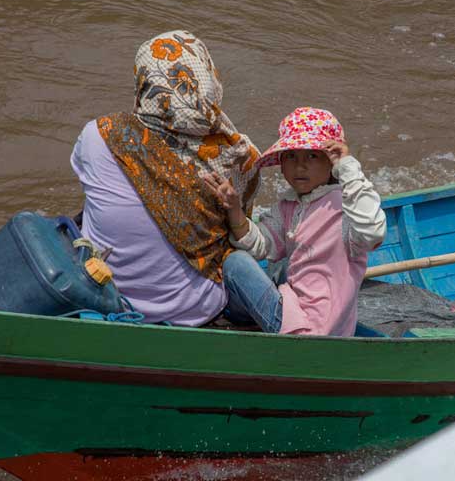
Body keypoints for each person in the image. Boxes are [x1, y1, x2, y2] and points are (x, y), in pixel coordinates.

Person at [71, 30, 261, 325]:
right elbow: (237, 232)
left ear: (143, 82)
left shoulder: (100, 134)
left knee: (93, 206)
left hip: (106, 294)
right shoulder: (241, 156)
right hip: (196, 308)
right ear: (209, 81)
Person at [203, 107, 386, 336]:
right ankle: (245, 319)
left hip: (313, 330)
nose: (300, 166)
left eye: (312, 156)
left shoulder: (344, 206)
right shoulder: (290, 206)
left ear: (331, 163)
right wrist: (234, 208)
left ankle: (235, 319)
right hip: (295, 310)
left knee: (236, 263)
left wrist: (347, 166)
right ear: (281, 164)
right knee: (279, 267)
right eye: (291, 156)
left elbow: (372, 233)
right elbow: (260, 246)